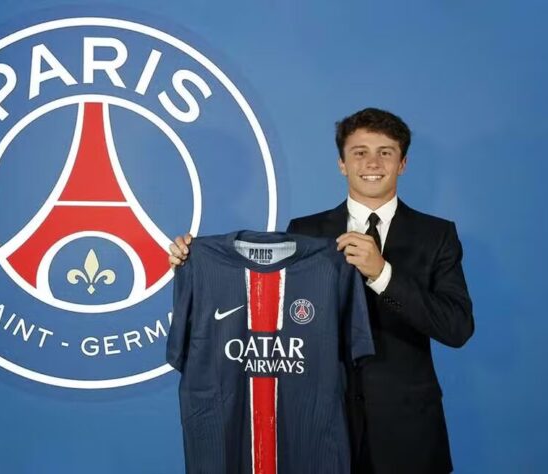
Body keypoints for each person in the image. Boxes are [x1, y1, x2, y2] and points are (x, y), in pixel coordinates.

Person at [168, 107, 474, 473]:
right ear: (342, 164)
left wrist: (382, 274)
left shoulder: (437, 235)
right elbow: (262, 303)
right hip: (316, 425)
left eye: (385, 152)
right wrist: (192, 262)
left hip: (406, 430)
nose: (372, 163)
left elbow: (456, 327)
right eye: (359, 152)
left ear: (403, 163)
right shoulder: (304, 232)